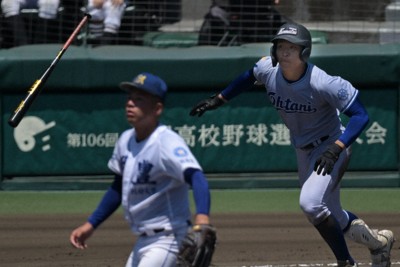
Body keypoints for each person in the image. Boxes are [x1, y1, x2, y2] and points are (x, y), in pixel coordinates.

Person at [189, 22, 394, 267]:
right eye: (280, 46)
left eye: (291, 48)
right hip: (303, 149)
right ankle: (379, 244)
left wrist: (337, 147)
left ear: (304, 52)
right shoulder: (268, 69)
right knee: (333, 214)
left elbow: (361, 115)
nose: (284, 52)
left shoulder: (322, 82)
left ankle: (346, 262)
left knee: (311, 204)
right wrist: (219, 99)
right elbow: (248, 76)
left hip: (329, 146)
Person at [69, 72, 213, 266]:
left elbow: (196, 176)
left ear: (157, 108)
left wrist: (202, 218)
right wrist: (91, 224)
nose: (130, 103)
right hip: (143, 241)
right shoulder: (125, 140)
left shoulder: (165, 142)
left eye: (139, 99)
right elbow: (117, 188)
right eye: (129, 98)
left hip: (168, 240)